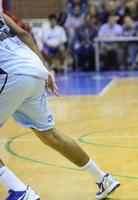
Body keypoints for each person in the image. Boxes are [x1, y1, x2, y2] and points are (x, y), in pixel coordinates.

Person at [0, 12, 120, 200]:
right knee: (50, 135)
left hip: (10, 73)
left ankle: (20, 191)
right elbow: (24, 35)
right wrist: (45, 68)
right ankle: (103, 178)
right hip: (33, 67)